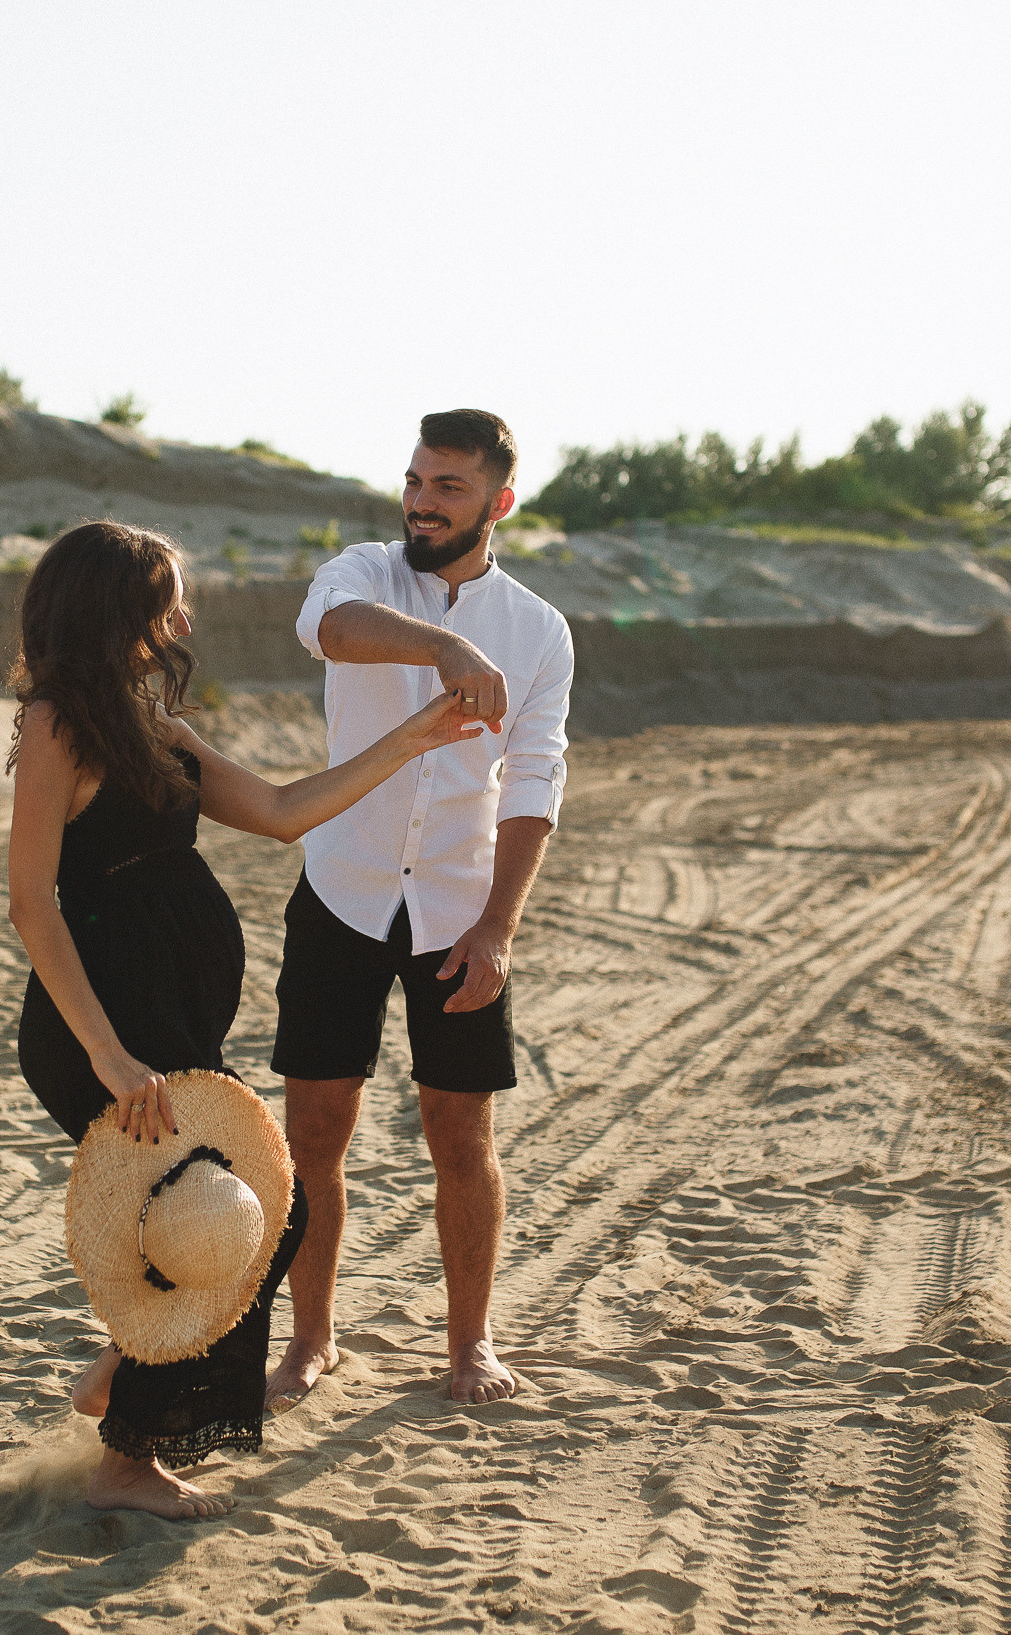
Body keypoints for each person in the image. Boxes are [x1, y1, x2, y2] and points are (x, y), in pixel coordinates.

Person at [7, 518, 482, 1520]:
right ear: (115, 608)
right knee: (235, 1210)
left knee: (243, 1209)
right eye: (165, 598)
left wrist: (412, 738)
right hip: (105, 1023)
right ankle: (126, 1455)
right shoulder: (57, 724)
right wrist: (107, 1049)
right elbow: (31, 901)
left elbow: (279, 809)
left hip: (167, 1014)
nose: (181, 617)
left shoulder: (153, 724)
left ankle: (128, 1371)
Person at [267, 409, 573, 1408]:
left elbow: (533, 780)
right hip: (341, 887)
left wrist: (497, 926)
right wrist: (442, 643)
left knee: (460, 1133)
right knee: (313, 1128)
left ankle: (468, 1343)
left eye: (446, 486)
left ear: (499, 502)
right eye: (412, 479)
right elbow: (327, 632)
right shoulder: (360, 572)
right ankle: (310, 1338)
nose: (420, 501)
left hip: (456, 903)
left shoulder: (538, 630)